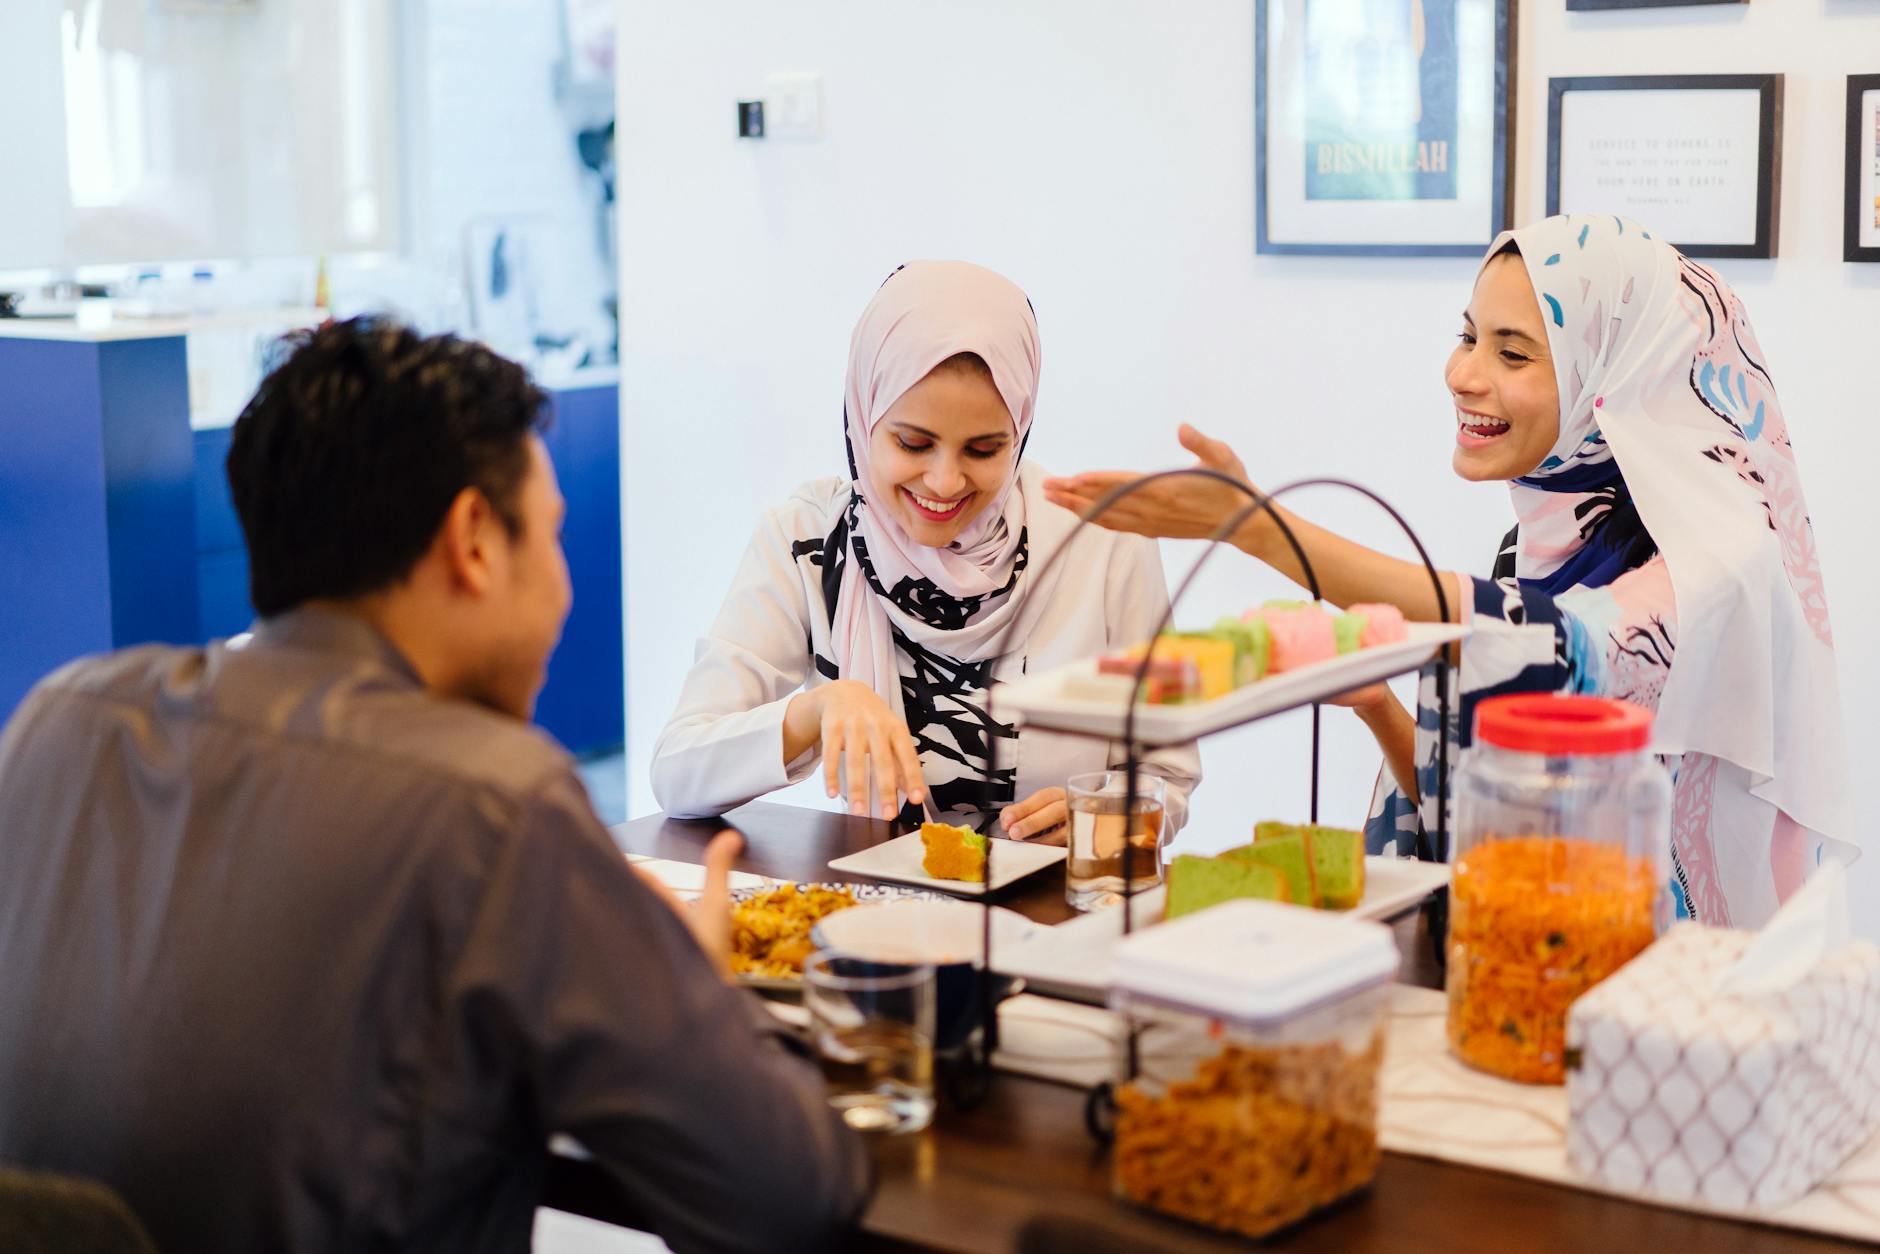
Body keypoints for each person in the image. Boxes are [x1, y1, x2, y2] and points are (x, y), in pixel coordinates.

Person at [0, 319, 869, 1253]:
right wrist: (706, 999)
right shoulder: (493, 805)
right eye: (553, 535)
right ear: (474, 543)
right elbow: (790, 1196)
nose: (566, 586)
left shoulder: (60, 717)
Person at [1045, 215, 1849, 928]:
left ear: (1614, 381)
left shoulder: (1726, 566)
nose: (1464, 375)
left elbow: (1562, 646)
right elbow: (1476, 815)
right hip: (1538, 975)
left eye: (1514, 352)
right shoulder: (1537, 552)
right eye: (1468, 337)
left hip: (1675, 1020)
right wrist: (1383, 711)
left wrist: (1257, 529)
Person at [652, 261, 1200, 841]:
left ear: (1021, 431)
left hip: (1052, 914)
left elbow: (1168, 776)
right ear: (864, 419)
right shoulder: (808, 544)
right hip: (878, 919)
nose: (944, 482)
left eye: (984, 450)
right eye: (913, 442)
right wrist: (815, 712)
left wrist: (1111, 816)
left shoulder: (1105, 540)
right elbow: (677, 770)